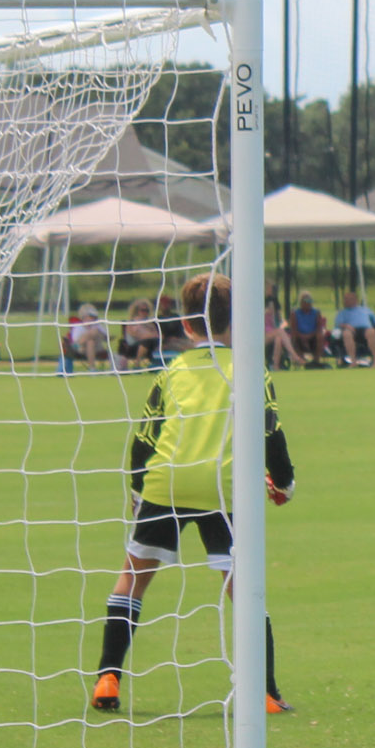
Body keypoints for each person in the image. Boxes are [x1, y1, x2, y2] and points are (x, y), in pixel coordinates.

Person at [89, 272, 297, 714]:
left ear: (185, 324)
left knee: (132, 578)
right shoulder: (250, 368)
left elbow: (144, 438)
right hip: (223, 488)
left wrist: (137, 488)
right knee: (244, 589)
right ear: (235, 319)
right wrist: (284, 482)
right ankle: (265, 693)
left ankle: (108, 677)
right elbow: (271, 432)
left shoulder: (172, 371)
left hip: (167, 481)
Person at [334, 289, 375, 367]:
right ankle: (353, 361)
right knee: (346, 334)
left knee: (371, 332)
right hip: (351, 330)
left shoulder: (365, 310)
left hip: (365, 329)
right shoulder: (342, 312)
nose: (346, 301)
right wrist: (346, 326)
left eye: (348, 299)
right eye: (345, 299)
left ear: (355, 300)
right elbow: (338, 324)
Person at [286, 292, 328, 367]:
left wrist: (308, 336)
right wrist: (302, 337)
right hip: (299, 337)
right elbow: (293, 329)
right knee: (293, 337)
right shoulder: (295, 314)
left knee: (320, 335)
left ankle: (316, 361)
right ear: (301, 302)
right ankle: (301, 360)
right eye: (306, 301)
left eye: (310, 301)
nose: (308, 303)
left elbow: (319, 328)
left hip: (313, 337)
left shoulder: (316, 313)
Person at [69, 302, 113, 370]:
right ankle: (92, 368)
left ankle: (77, 345)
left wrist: (98, 334)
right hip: (82, 349)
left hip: (98, 347)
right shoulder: (78, 327)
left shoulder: (97, 325)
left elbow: (107, 337)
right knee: (90, 342)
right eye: (91, 317)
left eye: (94, 317)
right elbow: (75, 338)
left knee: (94, 333)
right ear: (84, 317)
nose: (93, 319)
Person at [119, 298, 160, 369]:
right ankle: (137, 364)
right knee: (146, 342)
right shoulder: (132, 323)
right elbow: (137, 336)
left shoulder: (150, 323)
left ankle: (157, 362)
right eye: (143, 310)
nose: (145, 313)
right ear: (137, 311)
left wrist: (147, 327)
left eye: (147, 310)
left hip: (150, 343)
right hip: (133, 345)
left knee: (156, 342)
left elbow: (157, 335)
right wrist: (149, 335)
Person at [263, 296, 298, 372]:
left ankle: (275, 366)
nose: (272, 309)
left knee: (278, 339)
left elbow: (278, 326)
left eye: (272, 307)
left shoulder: (272, 317)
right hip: (263, 338)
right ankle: (294, 355)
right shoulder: (262, 316)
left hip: (271, 336)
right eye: (270, 307)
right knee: (280, 331)